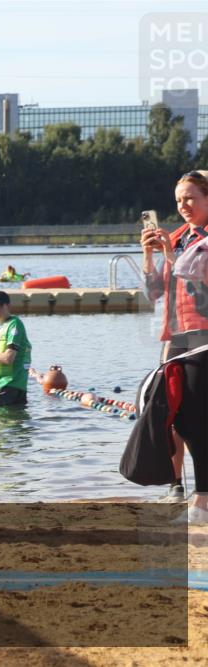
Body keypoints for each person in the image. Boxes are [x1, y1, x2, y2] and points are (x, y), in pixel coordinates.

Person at [142, 169, 208, 506]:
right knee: (168, 413)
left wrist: (171, 257)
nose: (184, 205)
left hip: (204, 335)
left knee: (196, 418)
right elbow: (154, 293)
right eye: (179, 200)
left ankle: (203, 495)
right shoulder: (179, 236)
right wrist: (150, 257)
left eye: (191, 198)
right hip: (175, 337)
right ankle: (175, 485)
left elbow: (201, 286)